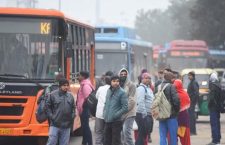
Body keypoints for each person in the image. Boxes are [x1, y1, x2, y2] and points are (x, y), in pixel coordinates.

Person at [45, 78, 75, 145]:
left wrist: (72, 116)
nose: (66, 87)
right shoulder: (52, 95)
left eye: (67, 85)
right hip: (55, 124)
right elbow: (47, 107)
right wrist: (52, 117)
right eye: (64, 85)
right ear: (60, 86)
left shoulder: (70, 96)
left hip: (66, 125)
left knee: (64, 143)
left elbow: (73, 108)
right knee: (51, 142)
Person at [103, 75, 128, 145]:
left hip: (116, 121)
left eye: (117, 81)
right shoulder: (109, 90)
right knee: (106, 141)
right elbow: (106, 103)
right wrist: (104, 114)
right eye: (114, 81)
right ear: (110, 82)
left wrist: (115, 115)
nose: (116, 83)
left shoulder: (122, 92)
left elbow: (125, 107)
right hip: (107, 120)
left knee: (115, 141)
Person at [157, 72, 180, 145]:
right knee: (173, 136)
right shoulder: (171, 86)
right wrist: (176, 111)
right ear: (170, 78)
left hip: (161, 115)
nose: (174, 80)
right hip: (171, 115)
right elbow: (176, 100)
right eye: (173, 78)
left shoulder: (159, 86)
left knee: (162, 135)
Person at [95, 71, 114, 145]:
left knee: (99, 132)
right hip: (109, 115)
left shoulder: (100, 88)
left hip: (99, 114)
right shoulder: (114, 89)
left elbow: (97, 97)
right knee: (108, 133)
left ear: (105, 81)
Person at [135, 72, 154, 145]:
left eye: (149, 78)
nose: (148, 80)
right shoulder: (141, 88)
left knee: (144, 135)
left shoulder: (148, 89)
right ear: (142, 79)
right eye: (146, 78)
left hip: (148, 114)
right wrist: (144, 115)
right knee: (141, 135)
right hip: (142, 115)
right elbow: (140, 102)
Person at [119, 68, 136, 145]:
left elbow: (132, 100)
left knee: (127, 132)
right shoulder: (118, 85)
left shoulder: (131, 85)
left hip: (129, 112)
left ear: (127, 75)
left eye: (125, 74)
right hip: (120, 114)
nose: (123, 76)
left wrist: (124, 110)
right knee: (122, 134)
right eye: (121, 74)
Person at [77, 71, 94, 145]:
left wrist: (84, 107)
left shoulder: (85, 86)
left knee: (86, 127)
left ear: (83, 77)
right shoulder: (83, 84)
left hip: (85, 109)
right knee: (84, 127)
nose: (78, 77)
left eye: (79, 75)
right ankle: (84, 142)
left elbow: (88, 99)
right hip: (83, 109)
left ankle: (90, 143)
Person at [173, 79, 191, 145]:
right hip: (184, 120)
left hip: (174, 120)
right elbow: (189, 103)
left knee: (174, 139)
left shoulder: (174, 95)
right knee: (185, 140)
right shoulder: (185, 94)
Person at [207, 73, 221, 145]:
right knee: (217, 124)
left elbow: (211, 98)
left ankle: (215, 141)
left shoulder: (213, 86)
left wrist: (209, 105)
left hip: (213, 108)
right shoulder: (219, 85)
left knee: (214, 124)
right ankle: (218, 139)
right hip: (218, 108)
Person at [187, 71, 199, 135]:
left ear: (192, 76)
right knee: (191, 117)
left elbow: (196, 93)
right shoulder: (192, 82)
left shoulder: (194, 82)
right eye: (188, 75)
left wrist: (192, 100)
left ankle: (192, 131)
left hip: (192, 102)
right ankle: (192, 131)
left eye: (190, 75)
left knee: (191, 117)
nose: (189, 77)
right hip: (191, 102)